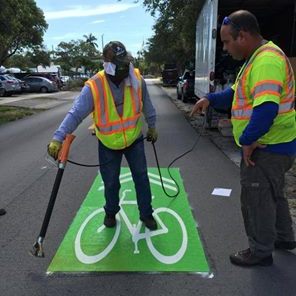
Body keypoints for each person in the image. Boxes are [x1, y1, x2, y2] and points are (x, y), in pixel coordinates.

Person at [191, 10, 296, 267]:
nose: (225, 48)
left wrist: (248, 141)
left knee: (256, 197)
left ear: (244, 35)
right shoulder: (255, 59)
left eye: (227, 41)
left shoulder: (266, 62)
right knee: (274, 193)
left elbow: (266, 109)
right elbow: (235, 95)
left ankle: (260, 252)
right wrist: (210, 99)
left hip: (267, 145)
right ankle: (284, 238)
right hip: (277, 144)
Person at [48, 41, 158, 230]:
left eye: (127, 63)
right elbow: (76, 113)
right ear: (108, 65)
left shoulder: (135, 78)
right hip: (108, 144)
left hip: (134, 139)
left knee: (141, 177)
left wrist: (152, 126)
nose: (126, 67)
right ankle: (110, 212)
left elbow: (146, 103)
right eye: (121, 64)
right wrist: (58, 138)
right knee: (111, 182)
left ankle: (146, 214)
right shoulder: (94, 86)